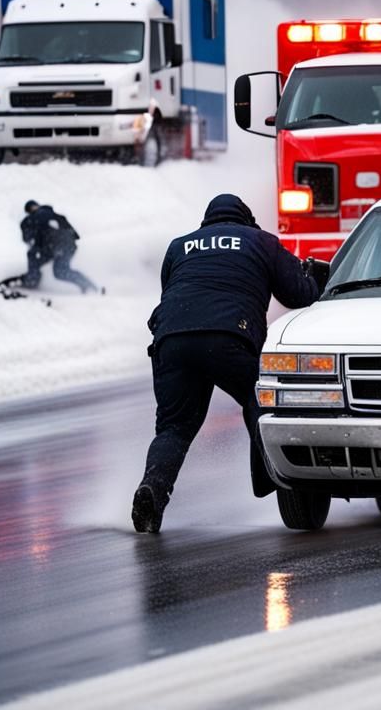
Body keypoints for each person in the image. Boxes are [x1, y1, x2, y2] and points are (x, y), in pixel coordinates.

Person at [132, 193, 324, 533]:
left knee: (174, 428)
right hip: (229, 337)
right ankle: (282, 483)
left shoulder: (179, 246)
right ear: (246, 219)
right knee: (259, 401)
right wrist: (314, 276)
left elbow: (171, 291)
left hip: (172, 339)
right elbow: (299, 294)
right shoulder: (260, 241)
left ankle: (153, 490)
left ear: (207, 222)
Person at [20, 200, 98, 294]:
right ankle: (88, 286)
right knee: (61, 271)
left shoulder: (30, 219)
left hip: (53, 247)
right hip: (67, 246)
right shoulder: (56, 215)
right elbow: (75, 235)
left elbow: (28, 239)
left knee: (34, 256)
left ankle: (32, 281)